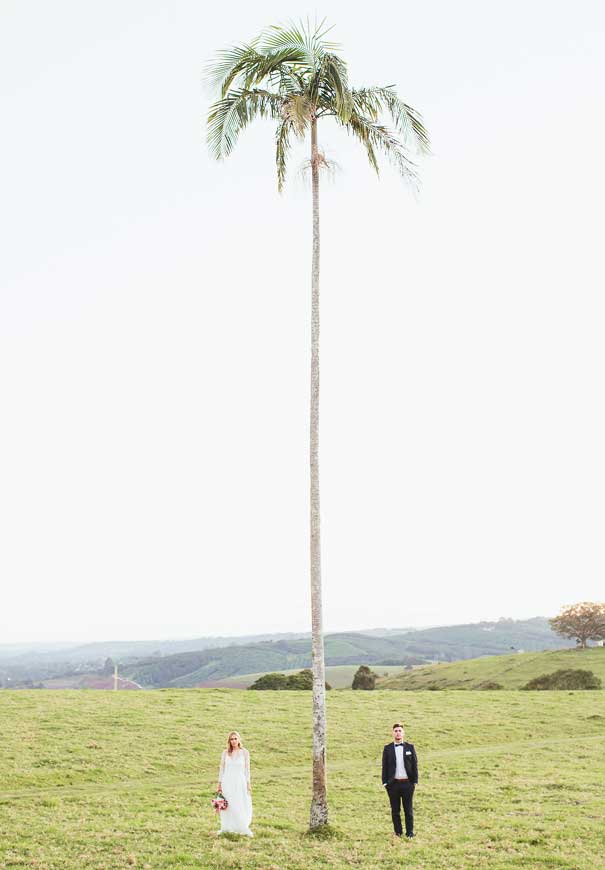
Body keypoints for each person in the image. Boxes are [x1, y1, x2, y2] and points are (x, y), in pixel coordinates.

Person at [381, 722, 418, 839]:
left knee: (408, 810)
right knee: (395, 810)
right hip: (393, 784)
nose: (398, 733)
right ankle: (398, 833)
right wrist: (385, 782)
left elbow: (415, 765)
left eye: (400, 731)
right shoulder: (387, 749)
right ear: (393, 733)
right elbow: (384, 766)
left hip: (407, 784)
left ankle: (410, 833)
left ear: (403, 733)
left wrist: (415, 781)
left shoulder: (410, 747)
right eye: (396, 731)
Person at [216, 730, 253, 836]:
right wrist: (219, 783)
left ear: (239, 740)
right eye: (231, 739)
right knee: (228, 804)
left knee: (240, 803)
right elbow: (222, 769)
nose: (233, 741)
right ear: (229, 741)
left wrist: (248, 783)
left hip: (240, 781)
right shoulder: (225, 753)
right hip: (227, 781)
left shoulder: (245, 752)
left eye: (235, 739)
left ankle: (242, 826)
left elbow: (247, 770)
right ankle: (227, 827)